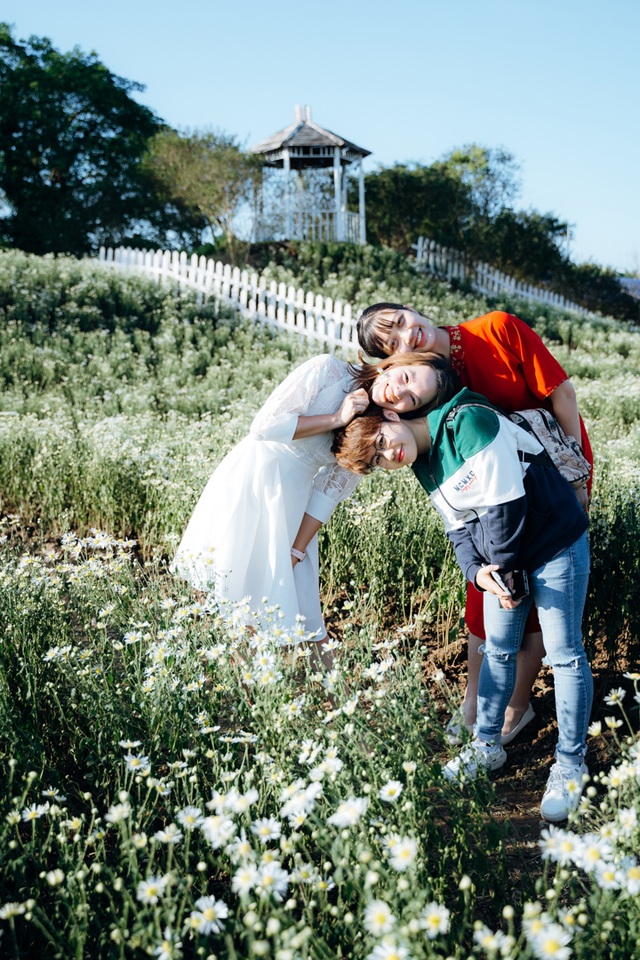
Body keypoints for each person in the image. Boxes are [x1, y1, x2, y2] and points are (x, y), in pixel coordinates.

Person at [332, 353, 593, 821]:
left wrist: (503, 574)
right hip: (504, 563)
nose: (388, 455)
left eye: (381, 442)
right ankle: (487, 746)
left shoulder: (468, 419)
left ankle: (571, 764)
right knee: (496, 649)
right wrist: (478, 574)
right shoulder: (424, 464)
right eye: (376, 460)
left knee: (565, 651)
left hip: (554, 542)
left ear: (392, 416)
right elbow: (458, 530)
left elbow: (505, 507)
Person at [355, 303, 593, 744]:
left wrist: (575, 474)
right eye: (394, 345)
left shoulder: (497, 330)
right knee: (484, 588)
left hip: (554, 463)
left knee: (541, 592)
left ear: (412, 309)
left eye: (402, 322)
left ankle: (517, 707)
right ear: (392, 363)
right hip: (485, 491)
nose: (409, 335)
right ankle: (476, 701)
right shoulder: (418, 382)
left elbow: (562, 397)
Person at [171, 353, 369, 662]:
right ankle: (242, 686)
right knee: (232, 586)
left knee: (302, 608)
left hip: (292, 498)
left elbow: (330, 490)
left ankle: (335, 699)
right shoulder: (328, 370)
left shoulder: (379, 425)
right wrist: (336, 419)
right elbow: (264, 426)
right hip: (252, 476)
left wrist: (297, 549)